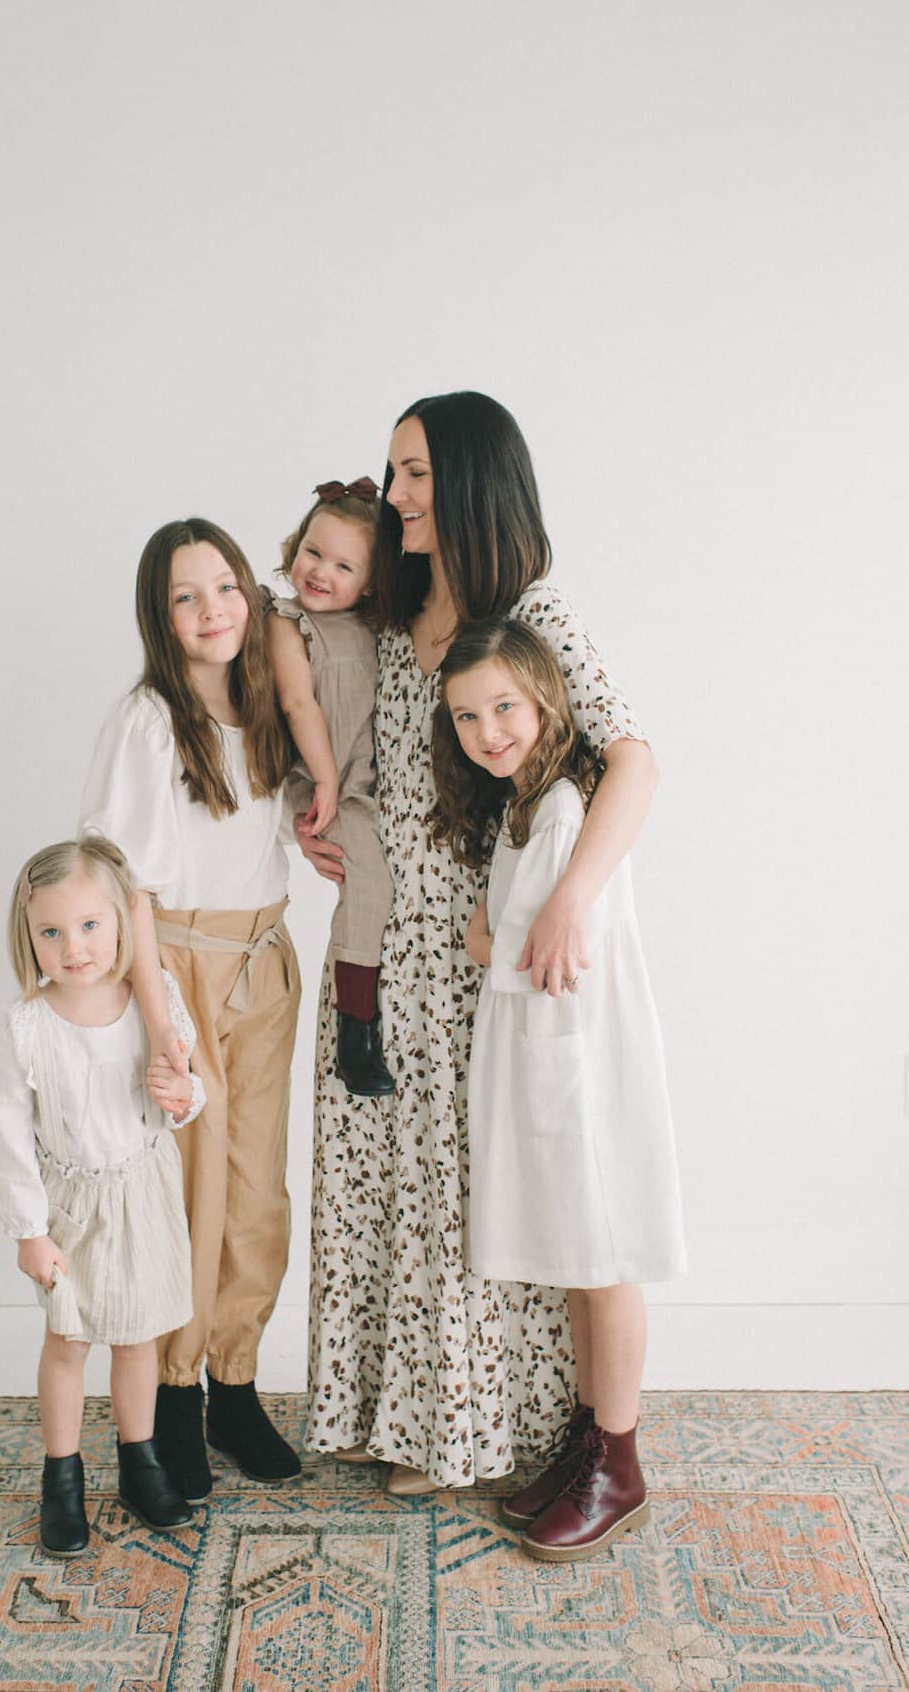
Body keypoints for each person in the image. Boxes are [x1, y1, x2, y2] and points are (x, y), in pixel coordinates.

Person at [300, 391, 661, 1496]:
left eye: (413, 473)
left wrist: (566, 903)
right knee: (369, 1186)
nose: (394, 493)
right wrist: (311, 818)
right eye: (391, 470)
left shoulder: (528, 612)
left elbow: (630, 759)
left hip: (475, 956)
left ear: (462, 480)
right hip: (374, 948)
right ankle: (381, 1415)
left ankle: (463, 1433)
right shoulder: (382, 611)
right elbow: (334, 740)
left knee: (460, 1197)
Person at [433, 619, 685, 1559]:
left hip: (580, 1055)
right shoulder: (521, 808)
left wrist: (488, 941)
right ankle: (589, 1440)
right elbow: (508, 928)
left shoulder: (569, 808)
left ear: (546, 700)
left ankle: (617, 1461)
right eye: (466, 715)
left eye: (503, 706)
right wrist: (495, 935)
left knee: (605, 1255)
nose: (488, 729)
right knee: (581, 1259)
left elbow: (534, 950)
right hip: (547, 1053)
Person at [79, 519, 302, 1503]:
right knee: (189, 1189)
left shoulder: (266, 705)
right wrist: (156, 1013)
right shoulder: (148, 719)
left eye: (225, 585)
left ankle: (235, 1383)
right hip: (177, 968)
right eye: (185, 594)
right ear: (158, 615)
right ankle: (171, 1397)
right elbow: (123, 879)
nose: (212, 608)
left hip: (263, 961)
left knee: (256, 1188)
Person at [0, 834, 202, 1554]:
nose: (72, 947)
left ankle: (139, 1463)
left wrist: (184, 1093)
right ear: (29, 936)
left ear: (119, 923)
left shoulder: (153, 1000)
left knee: (138, 1335)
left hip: (140, 1190)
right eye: (50, 931)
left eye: (88, 926)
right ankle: (62, 1477)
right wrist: (29, 1230)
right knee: (69, 1340)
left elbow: (186, 1084)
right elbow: (8, 1134)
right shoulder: (26, 1028)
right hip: (69, 1208)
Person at [267, 477, 394, 1096]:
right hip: (324, 783)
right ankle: (355, 1032)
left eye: (344, 565)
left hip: (362, 781)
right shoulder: (285, 621)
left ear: (369, 582)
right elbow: (296, 701)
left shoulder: (372, 626)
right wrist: (321, 779)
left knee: (379, 885)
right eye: (314, 551)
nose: (320, 571)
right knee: (369, 885)